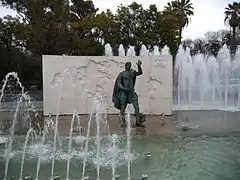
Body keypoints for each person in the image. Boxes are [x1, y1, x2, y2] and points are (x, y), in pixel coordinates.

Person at [112, 60, 145, 128]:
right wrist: (124, 88)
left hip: (132, 93)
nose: (128, 66)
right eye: (127, 65)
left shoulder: (132, 72)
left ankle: (138, 122)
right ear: (125, 66)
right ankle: (123, 122)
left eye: (129, 65)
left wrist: (139, 66)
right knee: (123, 108)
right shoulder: (122, 74)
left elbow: (140, 73)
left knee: (136, 107)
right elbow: (118, 84)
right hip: (124, 93)